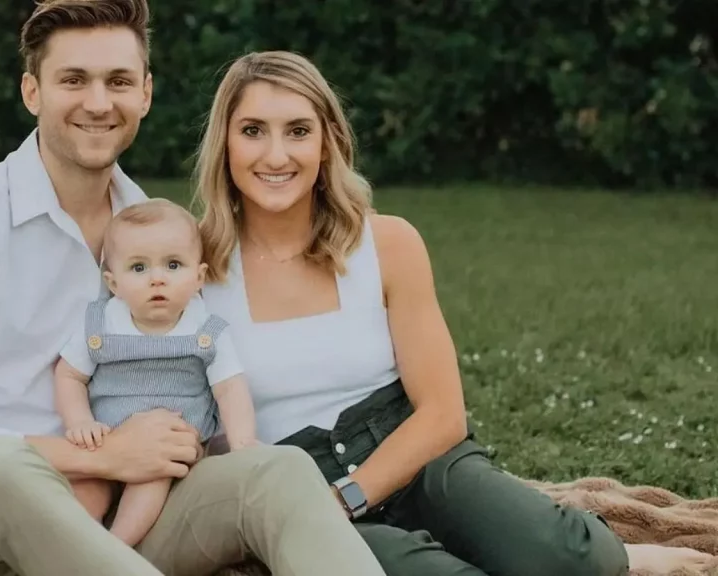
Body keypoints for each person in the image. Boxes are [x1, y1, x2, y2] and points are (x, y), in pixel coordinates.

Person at [0, 1, 389, 575]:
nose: (99, 102)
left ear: (144, 94)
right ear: (32, 92)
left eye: (118, 81)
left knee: (281, 470)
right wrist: (99, 454)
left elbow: (197, 370)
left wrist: (187, 441)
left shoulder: (151, 228)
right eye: (73, 80)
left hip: (120, 516)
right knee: (4, 468)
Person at [195, 50, 716, 576]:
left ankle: (622, 553)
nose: (277, 155)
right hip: (297, 487)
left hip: (416, 456)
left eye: (299, 131)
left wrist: (351, 493)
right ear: (226, 143)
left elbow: (442, 413)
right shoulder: (194, 270)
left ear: (328, 141)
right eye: (254, 130)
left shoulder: (388, 243)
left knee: (563, 557)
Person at [54, 198, 259, 547]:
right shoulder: (101, 323)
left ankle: (114, 549)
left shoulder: (206, 331)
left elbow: (230, 389)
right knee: (83, 489)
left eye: (173, 265)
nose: (157, 279)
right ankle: (73, 552)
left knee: (151, 478)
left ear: (199, 277)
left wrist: (243, 443)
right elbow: (70, 375)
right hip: (106, 442)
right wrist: (79, 422)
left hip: (169, 447)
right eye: (138, 268)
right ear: (113, 283)